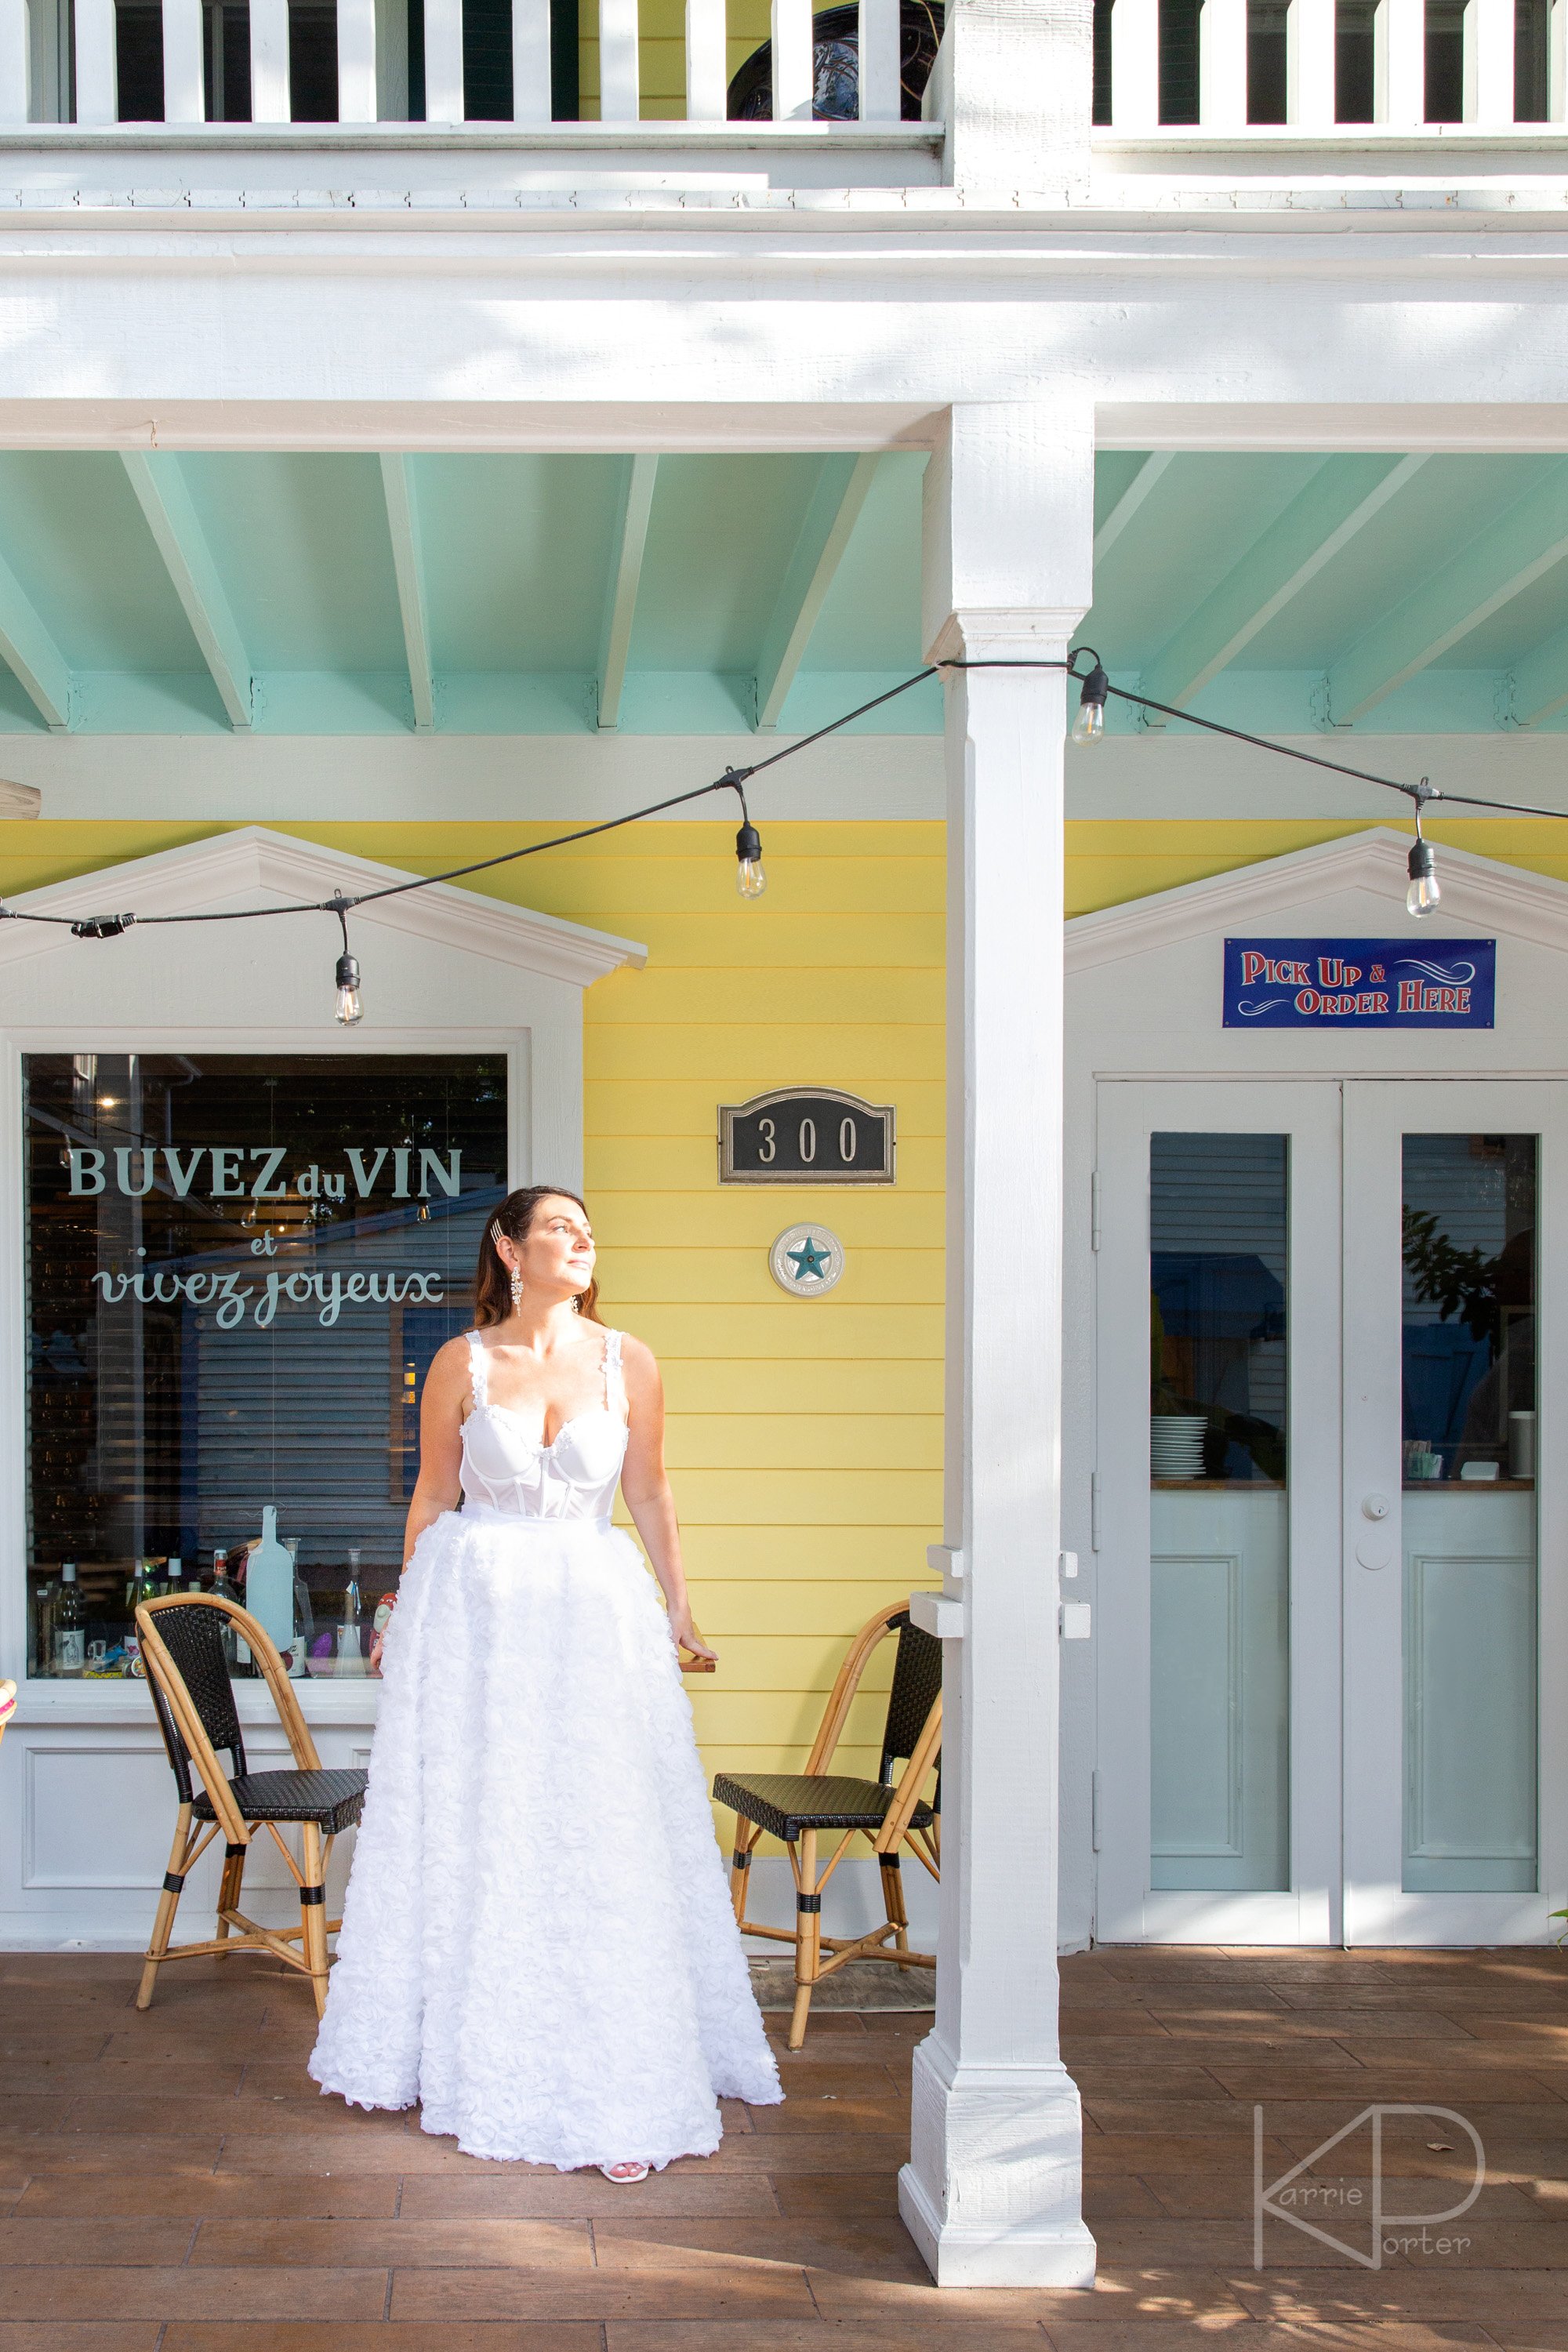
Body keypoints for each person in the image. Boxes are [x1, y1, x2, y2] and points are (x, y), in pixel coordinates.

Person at [309, 1185, 781, 2176]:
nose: (580, 1241)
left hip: (591, 1610)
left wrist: (680, 1606)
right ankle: (473, 2048)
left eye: (586, 1230)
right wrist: (398, 1608)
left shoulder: (628, 1361)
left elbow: (647, 1490)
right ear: (509, 1248)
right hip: (478, 1615)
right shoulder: (461, 1362)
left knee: (597, 1825)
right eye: (559, 1227)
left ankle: (619, 2071)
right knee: (491, 1822)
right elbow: (435, 1491)